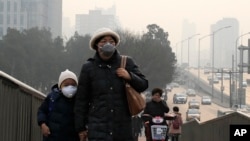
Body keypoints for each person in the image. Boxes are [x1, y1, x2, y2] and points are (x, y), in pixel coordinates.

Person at [74, 28, 148, 141]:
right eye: (103, 41)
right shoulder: (88, 67)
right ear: (96, 45)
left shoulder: (126, 62)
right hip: (98, 127)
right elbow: (81, 100)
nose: (108, 44)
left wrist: (129, 76)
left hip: (122, 127)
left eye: (111, 41)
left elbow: (143, 84)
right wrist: (81, 128)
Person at [37, 69, 79, 141]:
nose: (70, 87)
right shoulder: (52, 98)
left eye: (73, 85)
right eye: (66, 85)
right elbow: (41, 111)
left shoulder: (79, 100)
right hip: (52, 137)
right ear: (60, 86)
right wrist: (42, 124)